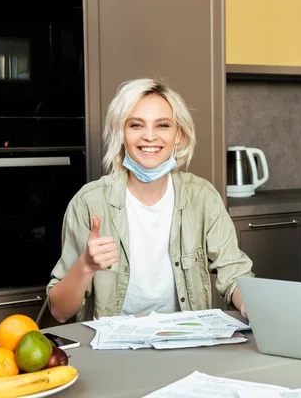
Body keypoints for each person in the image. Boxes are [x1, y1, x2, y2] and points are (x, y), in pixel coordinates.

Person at [47, 78, 253, 323]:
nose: (149, 136)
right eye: (136, 125)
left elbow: (235, 277)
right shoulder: (88, 203)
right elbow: (59, 311)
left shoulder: (203, 197)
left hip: (186, 343)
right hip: (114, 352)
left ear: (178, 134)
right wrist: (86, 266)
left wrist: (251, 306)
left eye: (162, 125)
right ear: (121, 133)